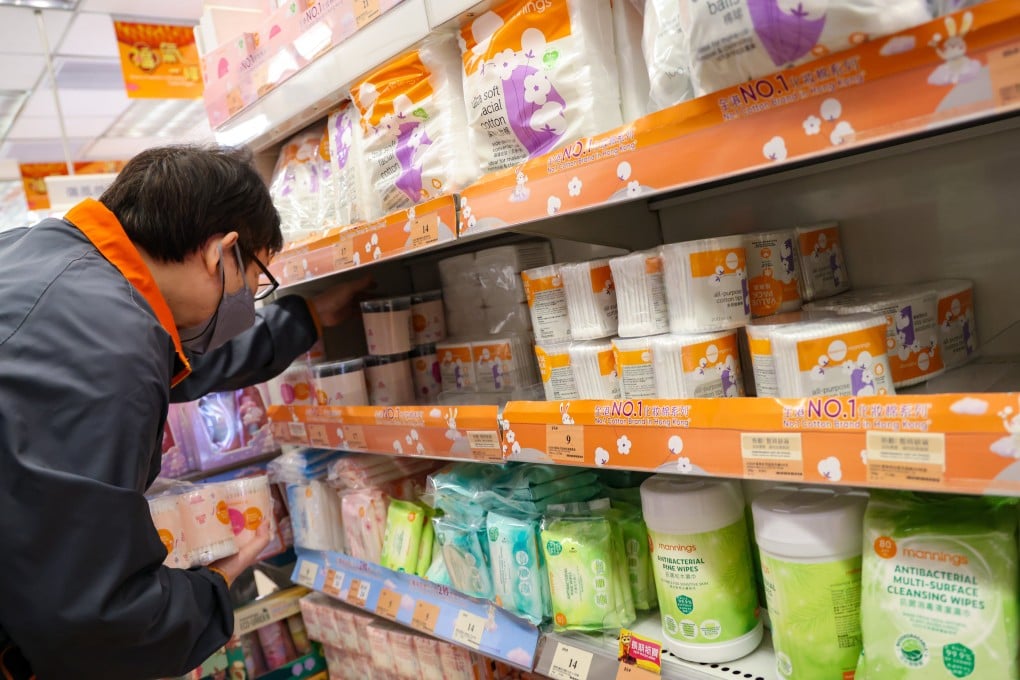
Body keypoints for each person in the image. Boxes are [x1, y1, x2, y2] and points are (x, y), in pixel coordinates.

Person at [0, 145, 369, 679]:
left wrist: (304, 317)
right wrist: (214, 588)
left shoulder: (48, 262)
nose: (248, 301)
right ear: (222, 253)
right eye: (256, 281)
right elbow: (97, 620)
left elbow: (176, 359)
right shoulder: (109, 345)